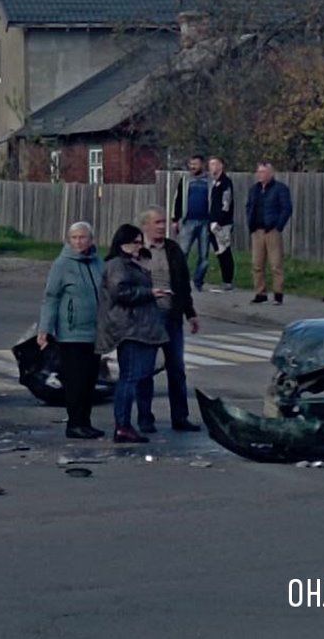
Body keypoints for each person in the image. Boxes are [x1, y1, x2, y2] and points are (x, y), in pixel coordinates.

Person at [95, 223, 169, 444]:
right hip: (131, 329)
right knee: (129, 378)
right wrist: (150, 292)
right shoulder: (117, 264)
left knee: (137, 376)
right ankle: (123, 425)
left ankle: (127, 424)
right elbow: (121, 291)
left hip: (139, 327)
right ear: (123, 243)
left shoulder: (131, 262)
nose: (139, 246)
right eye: (135, 242)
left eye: (140, 242)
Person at [36, 221, 106, 439]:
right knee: (75, 381)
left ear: (91, 240)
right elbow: (51, 298)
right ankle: (74, 424)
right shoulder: (62, 264)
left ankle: (85, 421)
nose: (78, 242)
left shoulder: (97, 263)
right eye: (74, 238)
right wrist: (44, 329)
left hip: (95, 333)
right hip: (71, 332)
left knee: (89, 379)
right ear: (68, 240)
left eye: (83, 237)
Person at [138, 206, 202, 432]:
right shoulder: (137, 250)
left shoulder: (173, 249)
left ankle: (180, 417)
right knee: (145, 370)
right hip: (147, 318)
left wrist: (190, 312)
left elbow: (183, 283)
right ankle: (145, 417)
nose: (161, 226)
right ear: (145, 226)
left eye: (163, 222)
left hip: (171, 316)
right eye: (156, 222)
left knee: (176, 368)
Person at [245, 162, 293, 305]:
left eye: (263, 172)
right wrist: (250, 223)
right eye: (259, 172)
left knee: (275, 264)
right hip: (257, 230)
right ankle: (260, 293)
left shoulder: (280, 189)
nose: (260, 175)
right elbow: (249, 206)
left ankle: (278, 294)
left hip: (272, 230)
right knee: (257, 264)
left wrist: (278, 226)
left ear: (271, 173)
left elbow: (286, 208)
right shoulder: (254, 189)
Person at [172, 154, 211, 292]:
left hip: (205, 222)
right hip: (188, 221)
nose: (192, 166)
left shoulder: (209, 181)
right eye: (191, 164)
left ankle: (198, 281)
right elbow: (177, 200)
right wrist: (175, 219)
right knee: (183, 253)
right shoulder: (185, 180)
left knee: (204, 256)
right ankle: (179, 280)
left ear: (202, 164)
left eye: (195, 164)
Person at [207, 156, 235, 292]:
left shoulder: (225, 182)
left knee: (224, 251)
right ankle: (225, 280)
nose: (211, 167)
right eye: (210, 164)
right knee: (219, 252)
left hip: (222, 224)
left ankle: (228, 281)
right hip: (212, 222)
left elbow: (226, 203)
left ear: (221, 166)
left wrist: (219, 220)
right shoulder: (213, 183)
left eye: (214, 164)